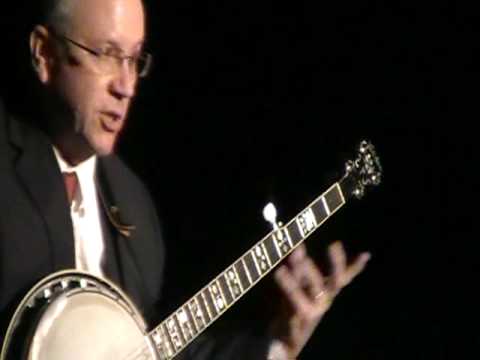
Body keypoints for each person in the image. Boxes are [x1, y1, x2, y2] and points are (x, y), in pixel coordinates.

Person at [0, 0, 371, 358]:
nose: (126, 86)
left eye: (134, 59)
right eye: (107, 54)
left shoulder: (132, 205)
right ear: (44, 53)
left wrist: (281, 345)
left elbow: (145, 353)